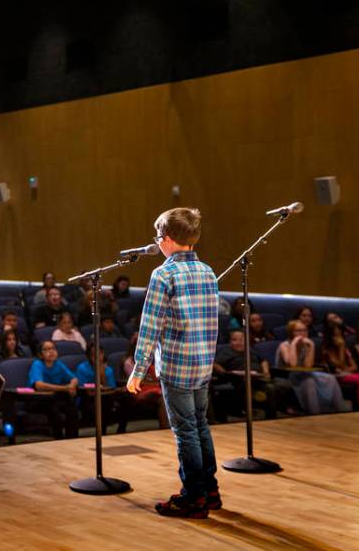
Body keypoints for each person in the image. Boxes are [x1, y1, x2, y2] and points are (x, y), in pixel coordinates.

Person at [127, 207, 220, 518]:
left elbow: (150, 325)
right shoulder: (208, 271)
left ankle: (193, 497)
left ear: (166, 239)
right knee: (200, 425)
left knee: (185, 432)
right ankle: (210, 490)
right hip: (203, 364)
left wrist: (139, 368)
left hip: (177, 366)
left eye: (158, 237)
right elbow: (212, 322)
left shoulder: (163, 274)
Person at [276, 320, 346, 415]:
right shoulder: (284, 345)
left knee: (330, 378)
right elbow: (293, 365)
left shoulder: (306, 345)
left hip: (304, 373)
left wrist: (311, 346)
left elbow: (308, 366)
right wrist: (293, 344)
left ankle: (341, 411)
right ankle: (314, 412)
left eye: (304, 330)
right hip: (287, 375)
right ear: (291, 332)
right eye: (298, 331)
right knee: (309, 381)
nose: (302, 333)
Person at [213, 330, 278, 419]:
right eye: (234, 340)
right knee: (244, 383)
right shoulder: (227, 352)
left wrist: (266, 371)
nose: (238, 342)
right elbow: (215, 364)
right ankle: (250, 405)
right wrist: (224, 372)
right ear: (230, 342)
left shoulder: (251, 350)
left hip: (257, 378)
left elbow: (263, 361)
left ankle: (271, 417)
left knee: (270, 387)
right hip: (237, 380)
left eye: (241, 340)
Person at [27, 341, 80, 439]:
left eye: (53, 348)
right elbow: (39, 385)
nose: (51, 351)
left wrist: (72, 386)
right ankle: (58, 440)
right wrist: (65, 388)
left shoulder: (58, 364)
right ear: (40, 354)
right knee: (53, 409)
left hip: (55, 398)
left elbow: (74, 378)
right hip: (38, 400)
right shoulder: (37, 364)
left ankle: (73, 440)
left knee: (71, 409)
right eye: (46, 349)